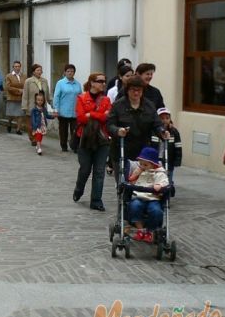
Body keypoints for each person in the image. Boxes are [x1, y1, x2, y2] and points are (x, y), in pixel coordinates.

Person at [107, 75, 168, 181]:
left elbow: (157, 124)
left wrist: (162, 132)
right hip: (121, 149)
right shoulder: (118, 105)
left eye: (139, 90)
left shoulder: (149, 106)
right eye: (133, 90)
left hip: (142, 152)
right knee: (124, 182)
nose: (136, 93)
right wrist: (118, 131)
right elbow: (110, 125)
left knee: (142, 182)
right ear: (127, 90)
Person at [73, 73, 112, 212]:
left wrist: (92, 114)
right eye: (100, 81)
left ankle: (96, 200)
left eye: (104, 81)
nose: (103, 83)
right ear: (92, 83)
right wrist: (98, 115)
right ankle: (79, 188)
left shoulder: (106, 99)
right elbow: (81, 118)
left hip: (102, 139)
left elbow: (107, 118)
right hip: (86, 139)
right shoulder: (82, 98)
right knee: (85, 169)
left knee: (99, 171)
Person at [128, 147, 169, 242]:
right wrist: (135, 176)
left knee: (156, 211)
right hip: (140, 197)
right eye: (140, 164)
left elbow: (165, 182)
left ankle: (150, 231)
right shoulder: (140, 171)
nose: (142, 166)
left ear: (153, 164)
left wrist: (159, 186)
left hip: (153, 198)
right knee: (134, 206)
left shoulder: (159, 173)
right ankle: (140, 229)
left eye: (145, 165)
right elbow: (131, 182)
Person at [54, 63, 83, 152]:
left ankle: (74, 146)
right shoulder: (60, 83)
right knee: (63, 130)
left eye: (72, 71)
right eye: (68, 71)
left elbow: (81, 97)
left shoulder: (77, 84)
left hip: (75, 111)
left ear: (74, 73)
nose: (70, 73)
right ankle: (64, 145)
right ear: (65, 72)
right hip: (63, 111)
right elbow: (56, 96)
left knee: (75, 130)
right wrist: (56, 109)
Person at [22, 64, 51, 146]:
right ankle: (33, 138)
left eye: (40, 70)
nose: (39, 72)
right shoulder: (28, 81)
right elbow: (25, 95)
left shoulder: (44, 81)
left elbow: (47, 94)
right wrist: (24, 106)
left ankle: (37, 138)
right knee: (31, 124)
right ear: (33, 72)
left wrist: (50, 102)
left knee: (40, 124)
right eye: (37, 70)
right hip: (31, 106)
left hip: (42, 107)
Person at [151, 107, 182, 185]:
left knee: (168, 177)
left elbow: (178, 146)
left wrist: (177, 160)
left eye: (167, 118)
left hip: (169, 159)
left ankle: (168, 188)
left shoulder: (174, 132)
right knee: (156, 177)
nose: (164, 120)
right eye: (161, 118)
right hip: (156, 159)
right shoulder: (153, 131)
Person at [4, 61, 26, 134]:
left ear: (20, 67)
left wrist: (23, 91)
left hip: (21, 98)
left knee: (20, 114)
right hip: (12, 97)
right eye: (15, 66)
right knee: (11, 114)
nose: (17, 68)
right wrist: (18, 91)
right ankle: (9, 124)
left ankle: (18, 129)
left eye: (18, 66)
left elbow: (25, 86)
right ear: (13, 67)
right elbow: (8, 87)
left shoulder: (24, 76)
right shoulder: (9, 76)